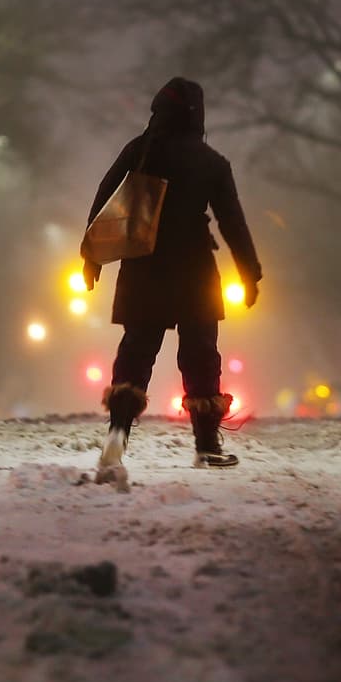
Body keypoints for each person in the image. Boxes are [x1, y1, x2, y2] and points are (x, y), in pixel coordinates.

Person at [83, 77, 261, 491]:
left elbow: (105, 198)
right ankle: (205, 445)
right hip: (195, 273)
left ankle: (117, 435)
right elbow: (232, 222)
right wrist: (249, 272)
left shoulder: (140, 151)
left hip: (143, 270)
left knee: (136, 352)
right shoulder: (211, 162)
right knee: (200, 356)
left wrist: (90, 254)